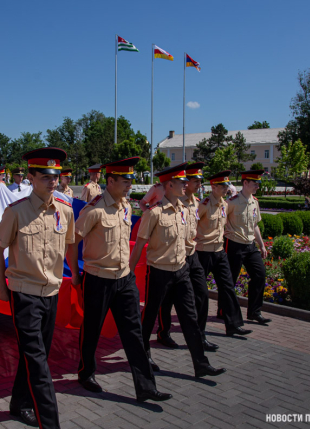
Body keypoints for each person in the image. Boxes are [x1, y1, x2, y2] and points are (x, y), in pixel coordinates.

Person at [67, 156, 172, 403]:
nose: (129, 186)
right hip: (98, 279)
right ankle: (86, 373)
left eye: (131, 181)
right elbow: (72, 243)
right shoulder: (94, 209)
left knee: (134, 331)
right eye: (125, 181)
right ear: (111, 181)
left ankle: (146, 387)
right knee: (92, 329)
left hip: (124, 279)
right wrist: (75, 275)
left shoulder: (126, 206)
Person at [0, 147, 75, 428]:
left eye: (55, 176)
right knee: (38, 363)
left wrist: (74, 276)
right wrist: (2, 289)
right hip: (25, 295)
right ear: (31, 177)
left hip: (51, 294)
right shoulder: (16, 211)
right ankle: (49, 422)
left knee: (36, 356)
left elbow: (70, 245)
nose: (52, 182)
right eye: (45, 177)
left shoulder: (65, 211)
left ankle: (19, 403)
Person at [129, 163, 226, 378]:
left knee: (189, 317)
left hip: (181, 271)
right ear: (169, 185)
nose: (186, 185)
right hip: (159, 272)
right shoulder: (153, 213)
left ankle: (201, 363)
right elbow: (139, 245)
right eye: (181, 182)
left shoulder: (184, 210)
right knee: (150, 315)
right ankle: (143, 355)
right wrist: (130, 273)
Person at [155, 162, 218, 352]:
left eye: (200, 181)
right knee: (167, 299)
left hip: (192, 254)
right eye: (195, 181)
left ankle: (200, 336)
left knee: (202, 294)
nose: (199, 184)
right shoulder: (175, 202)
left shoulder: (196, 203)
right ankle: (163, 332)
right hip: (175, 256)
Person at [196, 171, 252, 337]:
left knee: (228, 287)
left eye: (227, 186)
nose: (226, 189)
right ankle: (197, 331)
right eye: (222, 186)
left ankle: (234, 324)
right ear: (213, 187)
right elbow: (192, 226)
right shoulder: (204, 205)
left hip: (220, 252)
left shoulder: (225, 205)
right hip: (204, 252)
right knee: (200, 293)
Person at [224, 169, 270, 325]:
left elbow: (255, 225)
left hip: (250, 245)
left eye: (258, 183)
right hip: (234, 244)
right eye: (255, 183)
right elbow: (220, 221)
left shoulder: (254, 202)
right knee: (230, 279)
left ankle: (255, 312)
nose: (258, 186)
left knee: (260, 274)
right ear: (245, 183)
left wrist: (262, 245)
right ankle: (224, 310)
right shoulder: (232, 202)